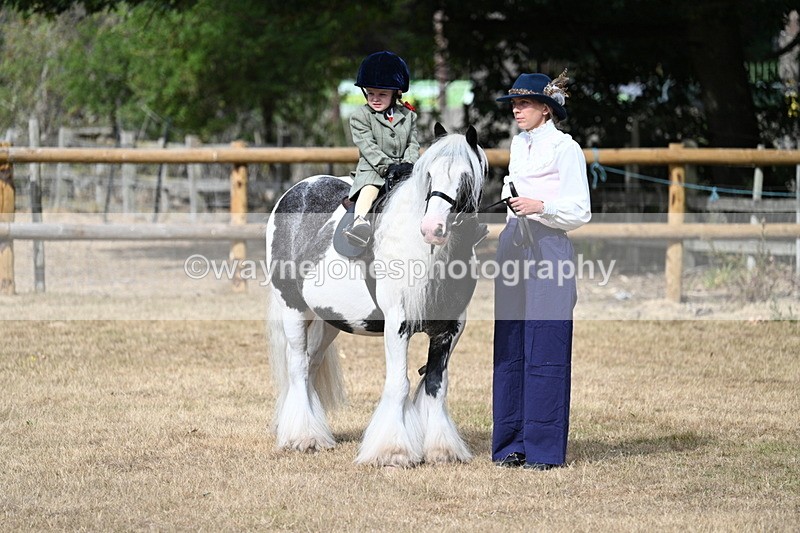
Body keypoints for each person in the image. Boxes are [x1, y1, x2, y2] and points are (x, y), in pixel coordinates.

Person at [492, 70, 592, 470]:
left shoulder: (566, 149)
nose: (516, 110)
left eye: (524, 104)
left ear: (546, 109)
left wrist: (541, 207)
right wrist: (512, 199)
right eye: (514, 104)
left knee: (546, 344)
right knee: (511, 342)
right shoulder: (519, 144)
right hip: (514, 241)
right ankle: (510, 444)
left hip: (548, 245)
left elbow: (580, 210)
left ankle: (544, 450)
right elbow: (512, 186)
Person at [344, 51, 420, 246]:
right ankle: (359, 224)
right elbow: (368, 148)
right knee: (369, 189)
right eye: (370, 93)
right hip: (374, 171)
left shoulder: (409, 116)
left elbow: (413, 142)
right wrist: (387, 167)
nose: (375, 99)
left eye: (382, 94)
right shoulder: (360, 117)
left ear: (396, 93)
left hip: (405, 171)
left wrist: (410, 164)